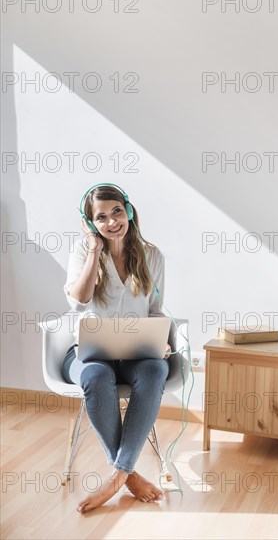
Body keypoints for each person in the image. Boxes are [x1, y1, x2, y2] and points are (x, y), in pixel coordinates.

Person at [61, 184, 171, 513]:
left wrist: (160, 339)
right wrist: (95, 249)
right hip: (88, 353)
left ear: (129, 211)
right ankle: (127, 475)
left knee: (156, 369)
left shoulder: (152, 256)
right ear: (90, 222)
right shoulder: (84, 250)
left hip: (134, 354)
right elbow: (79, 302)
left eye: (117, 212)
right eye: (101, 217)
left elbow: (154, 310)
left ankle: (117, 475)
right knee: (95, 376)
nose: (111, 222)